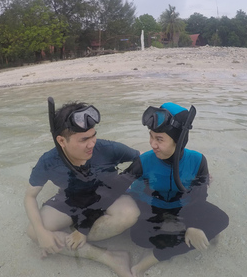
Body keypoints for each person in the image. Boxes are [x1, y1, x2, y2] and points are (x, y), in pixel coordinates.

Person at [24, 98, 140, 277]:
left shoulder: (108, 148)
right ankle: (109, 257)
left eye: (93, 135)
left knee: (129, 213)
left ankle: (75, 237)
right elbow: (30, 197)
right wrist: (42, 234)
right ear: (61, 141)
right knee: (33, 232)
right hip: (72, 199)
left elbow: (143, 161)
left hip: (110, 195)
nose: (92, 143)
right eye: (84, 139)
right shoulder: (49, 161)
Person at [124, 102, 229, 277]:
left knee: (221, 219)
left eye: (159, 139)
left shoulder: (197, 160)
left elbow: (199, 197)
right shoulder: (145, 161)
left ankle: (154, 257)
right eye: (151, 136)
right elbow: (118, 185)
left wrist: (194, 225)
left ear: (179, 139)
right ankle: (183, 238)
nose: (152, 144)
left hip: (185, 207)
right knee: (138, 237)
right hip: (152, 208)